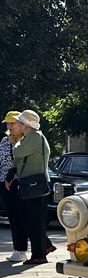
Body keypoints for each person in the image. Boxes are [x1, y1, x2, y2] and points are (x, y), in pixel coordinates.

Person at [9, 110, 54, 265]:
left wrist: (16, 142)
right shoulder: (31, 137)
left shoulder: (34, 137)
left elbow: (17, 151)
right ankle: (43, 248)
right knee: (25, 219)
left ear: (25, 125)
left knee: (32, 221)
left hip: (34, 185)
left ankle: (39, 254)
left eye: (19, 122)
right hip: (30, 185)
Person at [0, 111, 28, 261]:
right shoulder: (4, 140)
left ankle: (22, 250)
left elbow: (22, 163)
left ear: (21, 124)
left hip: (19, 182)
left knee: (20, 216)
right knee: (12, 216)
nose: (9, 126)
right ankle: (18, 250)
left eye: (12, 123)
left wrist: (11, 177)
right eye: (7, 123)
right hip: (3, 183)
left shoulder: (25, 140)